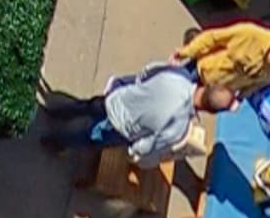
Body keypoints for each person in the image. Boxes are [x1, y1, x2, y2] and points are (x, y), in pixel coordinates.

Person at [44, 66, 237, 164]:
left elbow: (146, 72)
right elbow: (145, 147)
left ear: (209, 85)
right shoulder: (178, 128)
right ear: (209, 112)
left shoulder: (179, 75)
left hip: (117, 98)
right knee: (87, 136)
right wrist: (133, 154)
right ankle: (55, 142)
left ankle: (55, 112)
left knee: (86, 106)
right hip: (119, 127)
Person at [173, 22, 270, 95]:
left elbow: (256, 84)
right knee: (171, 91)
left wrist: (239, 97)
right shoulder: (250, 34)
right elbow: (213, 38)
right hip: (200, 70)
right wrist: (186, 52)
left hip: (214, 91)